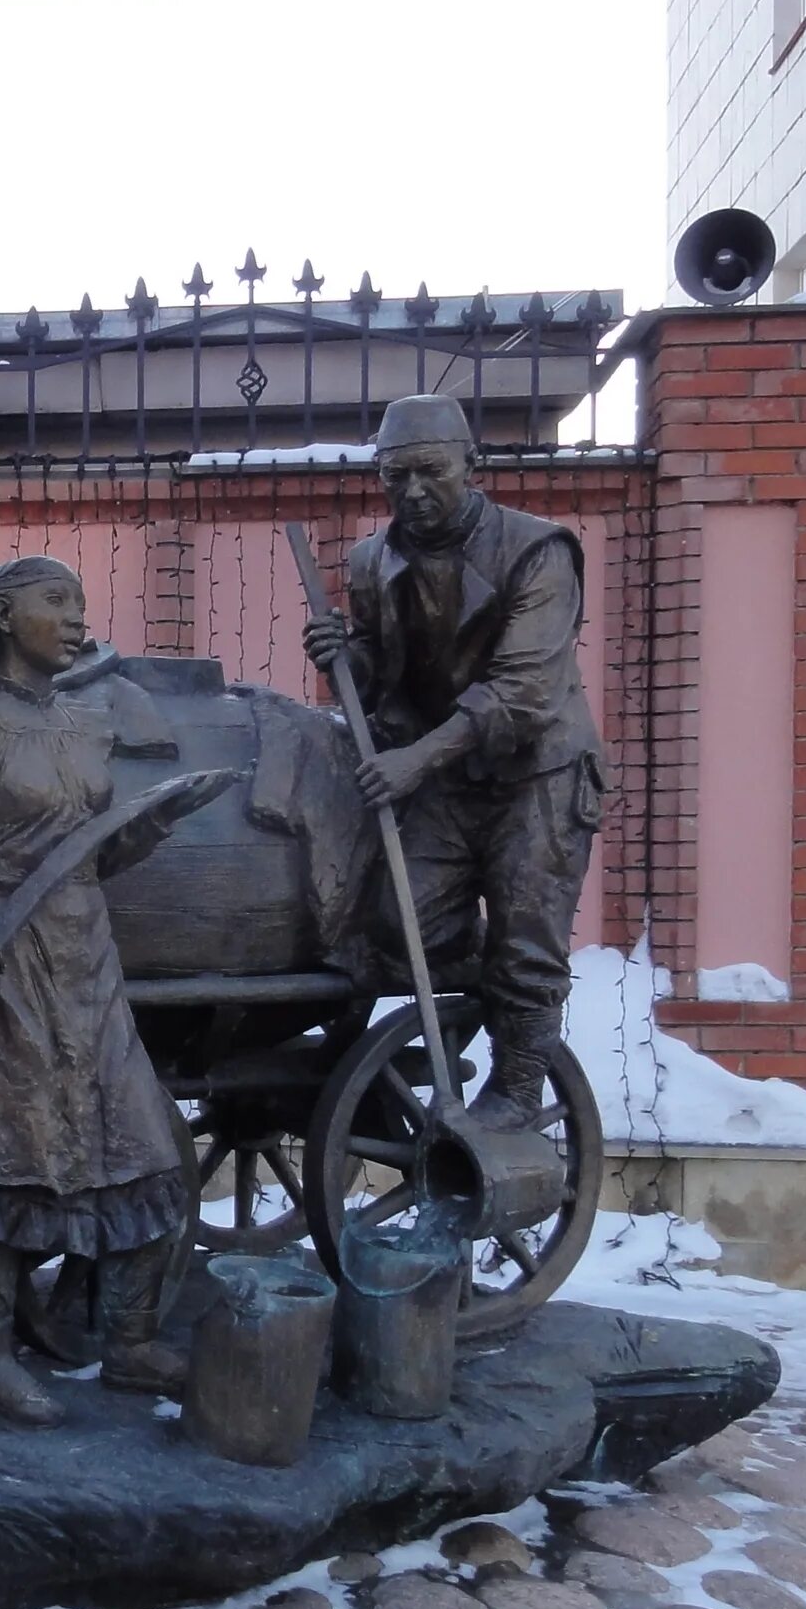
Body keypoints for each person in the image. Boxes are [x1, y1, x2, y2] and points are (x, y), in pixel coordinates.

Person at [0, 557, 191, 1426]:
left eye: (81, 602)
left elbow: (88, 855)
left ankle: (129, 1342)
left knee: (140, 1139)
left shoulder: (88, 723)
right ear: (5, 617)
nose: (76, 616)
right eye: (56, 601)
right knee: (1, 1153)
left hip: (87, 957)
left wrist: (152, 826)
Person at [301, 394, 606, 1131]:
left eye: (430, 471)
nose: (411, 491)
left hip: (537, 772)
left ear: (471, 466)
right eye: (394, 475)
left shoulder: (539, 551)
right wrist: (351, 659)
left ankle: (517, 1090)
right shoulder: (373, 560)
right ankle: (441, 1024)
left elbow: (522, 694)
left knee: (527, 944)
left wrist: (413, 763)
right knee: (387, 927)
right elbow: (388, 675)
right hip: (447, 776)